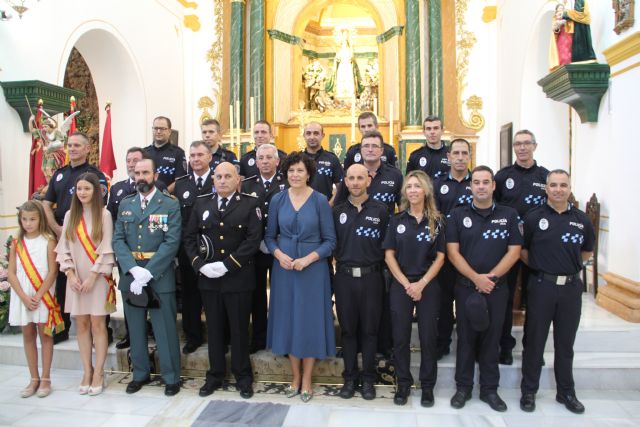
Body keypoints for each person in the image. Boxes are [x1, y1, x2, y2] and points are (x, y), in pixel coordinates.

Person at [446, 166, 522, 412]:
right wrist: (476, 278)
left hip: (496, 288)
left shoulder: (509, 215)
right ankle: (463, 388)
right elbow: (453, 252)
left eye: (485, 182)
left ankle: (490, 390)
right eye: (476, 182)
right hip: (467, 287)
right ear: (471, 187)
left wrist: (490, 278)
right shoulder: (458, 215)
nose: (480, 186)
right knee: (466, 338)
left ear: (493, 186)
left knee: (492, 339)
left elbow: (514, 251)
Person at [183, 162, 262, 398]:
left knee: (238, 330)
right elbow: (189, 237)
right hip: (209, 280)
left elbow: (253, 239)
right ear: (213, 179)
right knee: (214, 330)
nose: (223, 180)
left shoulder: (250, 203)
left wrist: (227, 264)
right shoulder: (201, 203)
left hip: (238, 278)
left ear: (238, 180)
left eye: (228, 176)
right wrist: (200, 265)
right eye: (219, 176)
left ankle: (243, 376)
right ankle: (215, 375)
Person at [519, 170, 595, 414]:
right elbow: (523, 250)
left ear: (570, 188)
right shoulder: (533, 218)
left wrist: (568, 269)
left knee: (565, 343)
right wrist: (544, 268)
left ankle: (566, 392)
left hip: (571, 289)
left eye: (563, 185)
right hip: (542, 286)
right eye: (553, 185)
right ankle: (529, 390)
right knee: (535, 341)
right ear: (546, 189)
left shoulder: (582, 220)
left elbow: (586, 252)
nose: (558, 189)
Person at [265, 152, 337, 403]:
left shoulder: (319, 201)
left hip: (312, 271)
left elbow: (330, 241)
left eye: (300, 171)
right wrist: (278, 254)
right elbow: (269, 236)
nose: (295, 175)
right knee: (288, 321)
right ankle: (294, 376)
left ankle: (307, 378)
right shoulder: (277, 200)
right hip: (284, 270)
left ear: (309, 174)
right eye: (291, 171)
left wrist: (308, 259)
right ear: (285, 173)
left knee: (308, 322)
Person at [113, 155, 182, 396]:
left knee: (165, 329)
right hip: (131, 276)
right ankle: (140, 373)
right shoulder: (126, 204)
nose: (140, 177)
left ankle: (171, 376)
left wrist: (148, 271)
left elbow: (172, 241)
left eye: (145, 173)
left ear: (155, 175)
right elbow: (118, 239)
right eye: (137, 173)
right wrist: (133, 269)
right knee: (136, 329)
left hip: (160, 276)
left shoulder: (170, 204)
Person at [383, 170, 445, 407]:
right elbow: (389, 256)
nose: (413, 190)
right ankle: (403, 384)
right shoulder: (396, 220)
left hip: (427, 284)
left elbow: (440, 257)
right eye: (409, 187)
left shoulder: (437, 221)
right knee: (400, 337)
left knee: (429, 337)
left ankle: (427, 387)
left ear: (426, 190)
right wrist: (408, 284)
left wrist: (421, 284)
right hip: (402, 284)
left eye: (417, 186)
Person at [43, 132, 108, 344]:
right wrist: (56, 227)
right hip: (64, 230)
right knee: (64, 283)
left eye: (77, 145)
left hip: (88, 232)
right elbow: (46, 202)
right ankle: (62, 328)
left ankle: (100, 328)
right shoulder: (59, 174)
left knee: (95, 283)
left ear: (88, 149)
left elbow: (99, 204)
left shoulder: (95, 175)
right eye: (69, 145)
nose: (72, 149)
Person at [56, 173, 116, 396]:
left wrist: (92, 276)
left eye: (87, 189)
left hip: (96, 278)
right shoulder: (71, 215)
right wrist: (71, 275)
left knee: (98, 325)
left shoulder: (104, 214)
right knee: (80, 324)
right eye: (79, 189)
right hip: (76, 280)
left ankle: (99, 371)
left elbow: (107, 248)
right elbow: (64, 248)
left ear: (96, 191)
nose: (82, 193)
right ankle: (87, 371)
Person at [333, 164, 389, 401]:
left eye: (360, 178)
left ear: (368, 180)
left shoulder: (382, 210)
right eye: (351, 178)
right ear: (345, 182)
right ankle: (349, 378)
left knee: (369, 330)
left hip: (372, 278)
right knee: (347, 330)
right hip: (344, 277)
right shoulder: (337, 211)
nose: (355, 182)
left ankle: (367, 378)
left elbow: (388, 247)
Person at [494, 130, 549, 365]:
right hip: (508, 247)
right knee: (505, 297)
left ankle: (533, 349)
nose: (522, 147)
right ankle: (505, 345)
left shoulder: (545, 176)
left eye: (527, 143)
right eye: (518, 144)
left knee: (536, 300)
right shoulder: (502, 175)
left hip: (536, 247)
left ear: (535, 146)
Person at [107, 147, 166, 350]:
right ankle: (136, 355)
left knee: (161, 319)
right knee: (132, 315)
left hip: (156, 267)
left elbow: (167, 235)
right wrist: (130, 266)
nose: (137, 172)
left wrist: (149, 269)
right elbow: (117, 231)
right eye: (130, 162)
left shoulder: (164, 196)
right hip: (129, 266)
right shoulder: (121, 196)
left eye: (143, 170)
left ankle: (166, 368)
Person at [8, 201, 60, 398]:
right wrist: (23, 296)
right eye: (24, 219)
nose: (28, 223)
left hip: (42, 295)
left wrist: (38, 296)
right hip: (23, 296)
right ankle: (33, 378)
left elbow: (52, 271)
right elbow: (11, 273)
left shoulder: (48, 240)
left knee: (45, 335)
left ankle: (46, 378)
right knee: (28, 335)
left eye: (32, 219)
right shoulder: (16, 242)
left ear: (40, 219)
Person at [241, 143, 288, 353]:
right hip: (256, 249)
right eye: (261, 158)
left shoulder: (287, 183)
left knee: (282, 295)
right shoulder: (247, 185)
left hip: (282, 248)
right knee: (256, 295)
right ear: (256, 161)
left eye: (270, 157)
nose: (265, 161)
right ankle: (259, 338)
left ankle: (282, 338)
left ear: (278, 161)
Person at [174, 141, 215, 354]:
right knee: (190, 294)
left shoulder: (220, 180)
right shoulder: (181, 184)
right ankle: (193, 336)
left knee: (214, 294)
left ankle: (219, 335)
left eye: (200, 155)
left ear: (209, 157)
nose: (196, 159)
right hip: (188, 249)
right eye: (192, 155)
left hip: (215, 248)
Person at [434, 139, 473, 359]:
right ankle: (443, 342)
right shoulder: (438, 183)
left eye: (464, 153)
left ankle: (469, 344)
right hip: (444, 252)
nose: (459, 157)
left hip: (470, 252)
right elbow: (433, 215)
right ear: (448, 156)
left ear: (469, 156)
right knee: (444, 301)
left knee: (468, 300)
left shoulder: (477, 182)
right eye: (455, 153)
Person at [334, 131, 402, 214]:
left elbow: (402, 205)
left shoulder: (395, 175)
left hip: (386, 226)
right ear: (361, 150)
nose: (370, 150)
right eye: (366, 146)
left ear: (381, 151)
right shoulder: (351, 173)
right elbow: (338, 204)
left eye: (374, 146)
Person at [549, 0, 597, 70]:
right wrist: (557, 25)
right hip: (561, 39)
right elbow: (555, 31)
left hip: (570, 36)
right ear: (556, 12)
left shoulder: (571, 13)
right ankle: (563, 66)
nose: (560, 12)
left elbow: (576, 17)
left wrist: (565, 18)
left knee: (570, 53)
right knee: (563, 54)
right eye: (559, 11)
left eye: (562, 10)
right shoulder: (555, 19)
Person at [143, 116, 187, 193]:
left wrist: (163, 193)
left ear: (169, 131)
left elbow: (180, 180)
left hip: (168, 198)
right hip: (146, 197)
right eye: (156, 128)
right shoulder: (144, 152)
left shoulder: (178, 153)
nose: (158, 131)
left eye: (162, 129)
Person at [301, 122, 344, 201]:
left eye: (316, 133)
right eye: (308, 133)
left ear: (322, 136)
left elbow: (341, 188)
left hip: (325, 208)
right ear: (304, 136)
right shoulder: (297, 159)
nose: (312, 137)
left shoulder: (332, 159)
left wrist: (329, 205)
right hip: (300, 209)